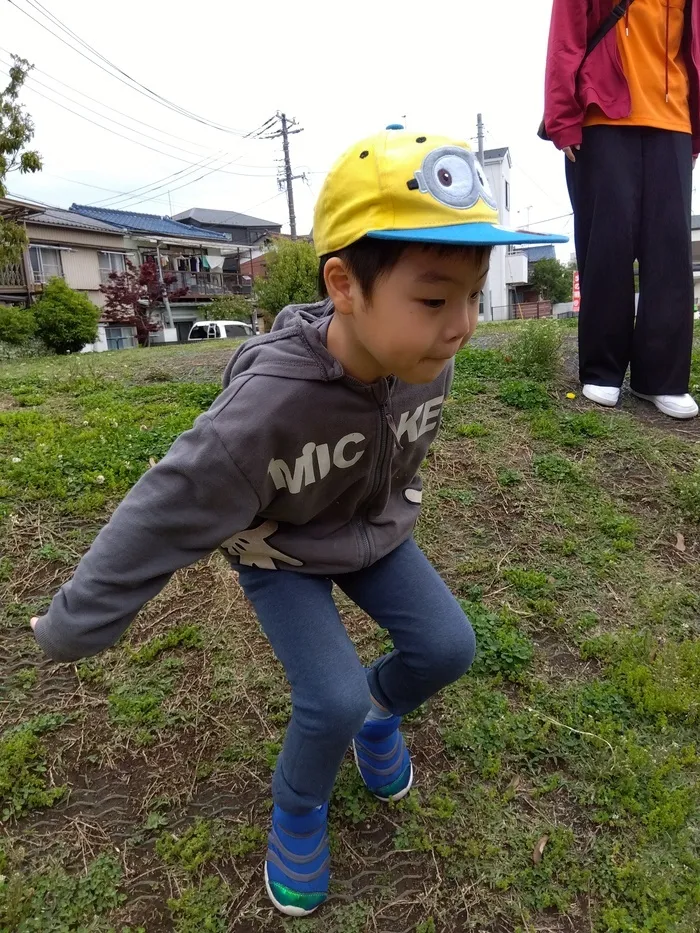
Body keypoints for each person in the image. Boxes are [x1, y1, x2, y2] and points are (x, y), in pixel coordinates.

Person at [30, 127, 565, 916]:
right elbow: (162, 508)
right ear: (345, 283)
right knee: (332, 696)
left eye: (469, 294)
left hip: (370, 530)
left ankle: (383, 712)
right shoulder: (266, 408)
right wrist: (75, 624)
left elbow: (395, 451)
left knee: (449, 646)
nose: (461, 325)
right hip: (282, 550)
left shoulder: (426, 359)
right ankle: (299, 805)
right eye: (432, 299)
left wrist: (385, 511)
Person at [544, 0, 700, 419]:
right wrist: (562, 117)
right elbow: (565, 39)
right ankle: (603, 369)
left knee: (670, 253)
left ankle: (662, 379)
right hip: (603, 115)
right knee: (607, 245)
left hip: (673, 121)